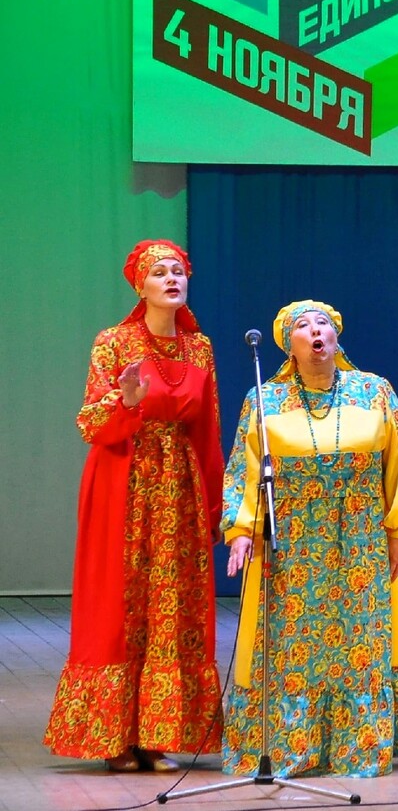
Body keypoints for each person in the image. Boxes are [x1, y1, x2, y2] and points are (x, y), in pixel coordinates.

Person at [221, 300, 398, 778]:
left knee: (360, 640)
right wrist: (241, 530)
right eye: (302, 325)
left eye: (323, 323)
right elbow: (244, 471)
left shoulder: (374, 391)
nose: (315, 330)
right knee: (292, 645)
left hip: (361, 540)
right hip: (292, 544)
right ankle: (291, 748)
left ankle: (358, 749)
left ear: (336, 336)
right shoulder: (264, 398)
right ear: (288, 345)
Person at [44, 239, 224, 773]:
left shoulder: (200, 348)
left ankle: (155, 734)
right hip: (123, 477)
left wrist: (217, 506)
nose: (171, 279)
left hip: (179, 485)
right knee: (120, 602)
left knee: (172, 601)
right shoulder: (114, 342)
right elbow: (90, 423)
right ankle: (113, 737)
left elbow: (208, 429)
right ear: (140, 285)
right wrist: (123, 402)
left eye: (178, 271)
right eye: (159, 272)